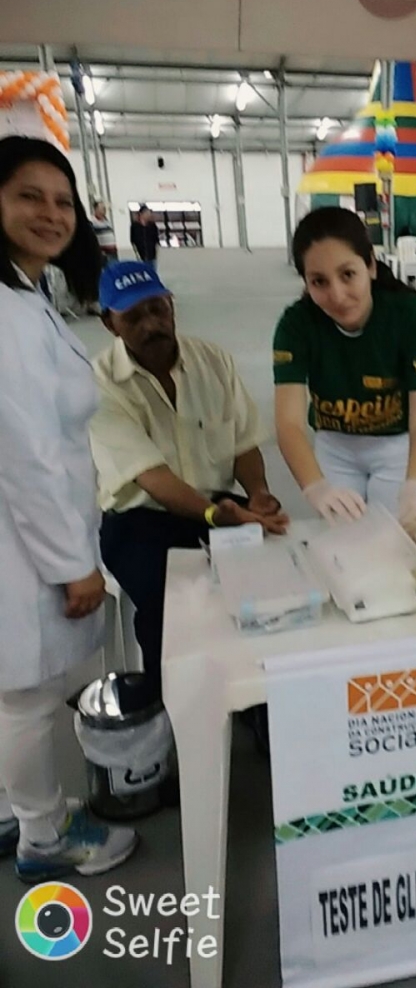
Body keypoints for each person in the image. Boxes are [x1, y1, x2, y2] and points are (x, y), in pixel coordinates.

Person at [0, 135, 138, 882]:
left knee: (13, 695)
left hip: (27, 527)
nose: (51, 214)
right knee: (25, 695)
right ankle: (43, 834)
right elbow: (27, 456)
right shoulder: (7, 314)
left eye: (63, 201)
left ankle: (16, 807)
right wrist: (73, 564)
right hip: (23, 542)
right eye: (29, 196)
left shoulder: (26, 295)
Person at [90, 260, 288, 692]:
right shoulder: (100, 384)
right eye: (133, 317)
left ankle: (256, 700)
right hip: (139, 519)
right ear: (109, 323)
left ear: (172, 306)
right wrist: (218, 516)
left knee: (276, 579)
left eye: (158, 309)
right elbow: (152, 478)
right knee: (169, 606)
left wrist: (258, 494)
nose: (151, 325)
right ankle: (173, 703)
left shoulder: (213, 362)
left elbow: (243, 444)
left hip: (218, 505)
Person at [274, 206, 416, 535]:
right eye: (319, 282)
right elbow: (288, 422)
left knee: (394, 539)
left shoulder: (412, 317)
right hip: (335, 446)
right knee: (344, 540)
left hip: (397, 444)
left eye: (348, 274)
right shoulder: (296, 325)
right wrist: (315, 487)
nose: (337, 295)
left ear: (371, 266)